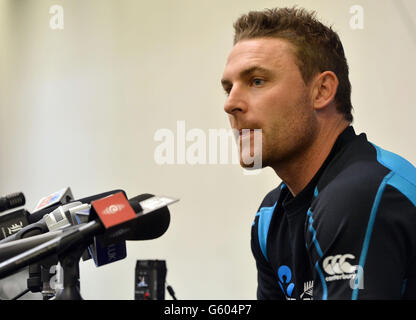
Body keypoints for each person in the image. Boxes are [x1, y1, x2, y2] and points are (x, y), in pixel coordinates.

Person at [221, 7, 416, 300]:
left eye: (257, 81)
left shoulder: (362, 193)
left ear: (322, 91)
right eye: (228, 88)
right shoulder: (268, 218)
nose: (231, 104)